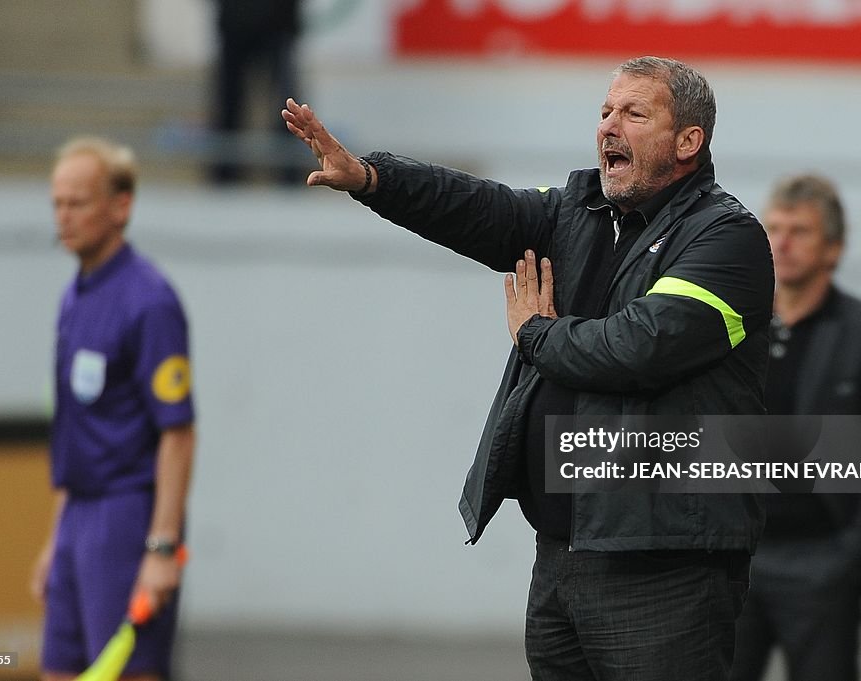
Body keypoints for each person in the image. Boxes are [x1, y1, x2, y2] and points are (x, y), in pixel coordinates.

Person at [283, 56, 774, 680]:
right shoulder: (583, 211)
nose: (608, 127)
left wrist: (535, 333)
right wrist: (374, 178)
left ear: (688, 141)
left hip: (663, 566)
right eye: (604, 112)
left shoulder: (727, 238)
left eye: (633, 113)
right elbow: (481, 209)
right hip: (564, 555)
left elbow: (639, 348)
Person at [729, 174, 861, 681]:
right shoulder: (733, 327)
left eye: (800, 231)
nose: (782, 242)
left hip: (821, 560)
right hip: (732, 557)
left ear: (832, 249)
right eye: (773, 228)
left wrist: (849, 554)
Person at [31, 137, 195, 681]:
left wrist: (160, 548)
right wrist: (57, 539)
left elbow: (177, 433)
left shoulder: (149, 302)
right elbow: (78, 430)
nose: (64, 216)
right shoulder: (72, 296)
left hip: (126, 519)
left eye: (77, 202)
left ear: (120, 205)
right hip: (78, 513)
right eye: (57, 202)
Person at [209, 0, 305, 185]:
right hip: (237, 23)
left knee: (286, 107)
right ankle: (224, 176)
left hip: (277, 24)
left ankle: (290, 176)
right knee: (229, 107)